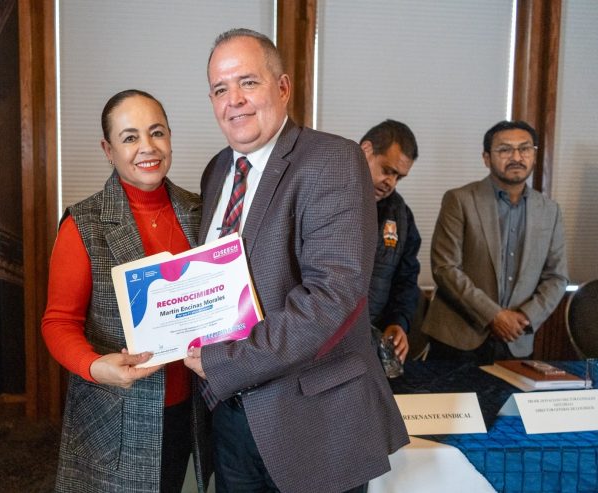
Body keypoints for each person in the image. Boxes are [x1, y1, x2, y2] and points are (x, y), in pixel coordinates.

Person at [184, 28, 408, 493]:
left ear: (283, 87)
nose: (234, 100)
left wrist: (227, 362)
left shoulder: (332, 159)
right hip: (230, 416)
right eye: (220, 89)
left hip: (312, 420)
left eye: (248, 82)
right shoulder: (217, 170)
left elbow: (332, 296)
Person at [41, 89, 209, 493]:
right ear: (108, 150)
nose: (147, 147)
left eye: (157, 132)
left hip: (191, 411)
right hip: (114, 414)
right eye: (130, 137)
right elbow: (58, 322)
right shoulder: (84, 223)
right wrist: (96, 366)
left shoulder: (201, 211)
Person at [422, 120, 568, 365]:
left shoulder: (550, 211)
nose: (516, 157)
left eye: (524, 149)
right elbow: (445, 268)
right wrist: (494, 316)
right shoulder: (460, 200)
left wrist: (525, 317)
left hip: (516, 338)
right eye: (505, 150)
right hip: (458, 338)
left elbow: (557, 277)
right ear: (486, 158)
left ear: (534, 155)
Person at [360, 120, 421, 363]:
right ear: (366, 150)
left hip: (369, 345)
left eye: (399, 177)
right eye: (387, 170)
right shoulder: (320, 194)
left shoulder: (400, 214)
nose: (391, 183)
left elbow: (406, 278)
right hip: (315, 344)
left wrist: (399, 322)